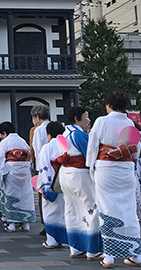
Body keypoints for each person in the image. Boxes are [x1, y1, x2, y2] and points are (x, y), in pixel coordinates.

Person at [86, 88, 141, 268]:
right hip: (126, 167)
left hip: (106, 167)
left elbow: (92, 145)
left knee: (107, 208)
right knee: (128, 208)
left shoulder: (101, 121)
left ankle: (109, 256)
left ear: (108, 105)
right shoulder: (130, 123)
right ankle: (136, 255)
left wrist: (90, 166)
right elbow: (137, 149)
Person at [58, 107, 101, 261]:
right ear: (77, 119)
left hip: (66, 175)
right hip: (80, 175)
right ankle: (93, 249)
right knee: (91, 208)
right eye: (86, 117)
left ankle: (76, 247)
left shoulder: (64, 133)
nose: (89, 120)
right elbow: (90, 157)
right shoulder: (79, 134)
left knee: (72, 210)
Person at [0, 121, 35, 232]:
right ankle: (26, 223)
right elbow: (29, 156)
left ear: (5, 133)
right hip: (24, 169)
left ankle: (11, 223)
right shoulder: (22, 141)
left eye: (2, 134)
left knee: (10, 195)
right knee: (25, 195)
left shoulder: (5, 142)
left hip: (11, 170)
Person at [37, 121, 68, 248]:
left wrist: (46, 185)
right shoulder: (67, 145)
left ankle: (51, 240)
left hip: (53, 181)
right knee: (65, 211)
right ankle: (65, 240)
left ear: (48, 135)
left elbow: (44, 167)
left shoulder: (47, 147)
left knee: (50, 211)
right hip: (66, 180)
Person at [31, 105, 50, 235]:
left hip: (43, 166)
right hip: (56, 165)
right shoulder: (57, 125)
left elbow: (37, 150)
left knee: (43, 196)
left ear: (37, 117)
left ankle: (46, 224)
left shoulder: (38, 130)